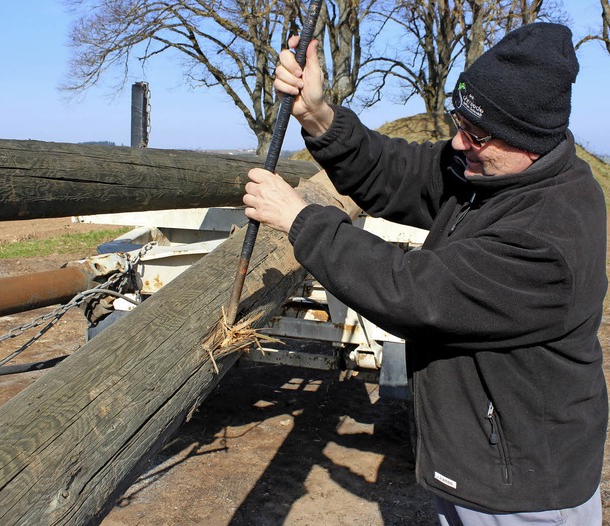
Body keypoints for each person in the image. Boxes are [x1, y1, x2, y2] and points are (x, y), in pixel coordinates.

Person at [242, 22, 608, 525]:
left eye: (476, 134)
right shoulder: (498, 174)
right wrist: (318, 117)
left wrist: (300, 219)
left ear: (529, 139)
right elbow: (403, 171)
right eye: (460, 121)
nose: (458, 144)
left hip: (523, 493)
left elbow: (414, 293)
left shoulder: (547, 237)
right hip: (482, 464)